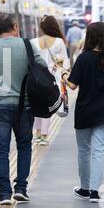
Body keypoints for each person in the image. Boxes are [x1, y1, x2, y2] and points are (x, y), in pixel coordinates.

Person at [0, 14, 47, 205]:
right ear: (15, 27)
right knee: (24, 146)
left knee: (1, 150)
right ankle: (21, 188)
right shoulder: (28, 46)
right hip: (25, 105)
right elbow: (43, 68)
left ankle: (4, 193)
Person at [61, 22, 104, 203]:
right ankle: (95, 192)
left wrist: (64, 75)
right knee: (99, 151)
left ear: (89, 37)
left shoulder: (83, 58)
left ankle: (84, 188)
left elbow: (73, 85)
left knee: (84, 150)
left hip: (84, 110)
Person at [31, 16, 70, 146]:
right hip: (52, 77)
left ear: (42, 28)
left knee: (36, 104)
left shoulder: (33, 42)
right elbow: (65, 63)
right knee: (48, 105)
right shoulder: (59, 42)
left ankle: (36, 133)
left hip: (36, 78)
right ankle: (44, 135)